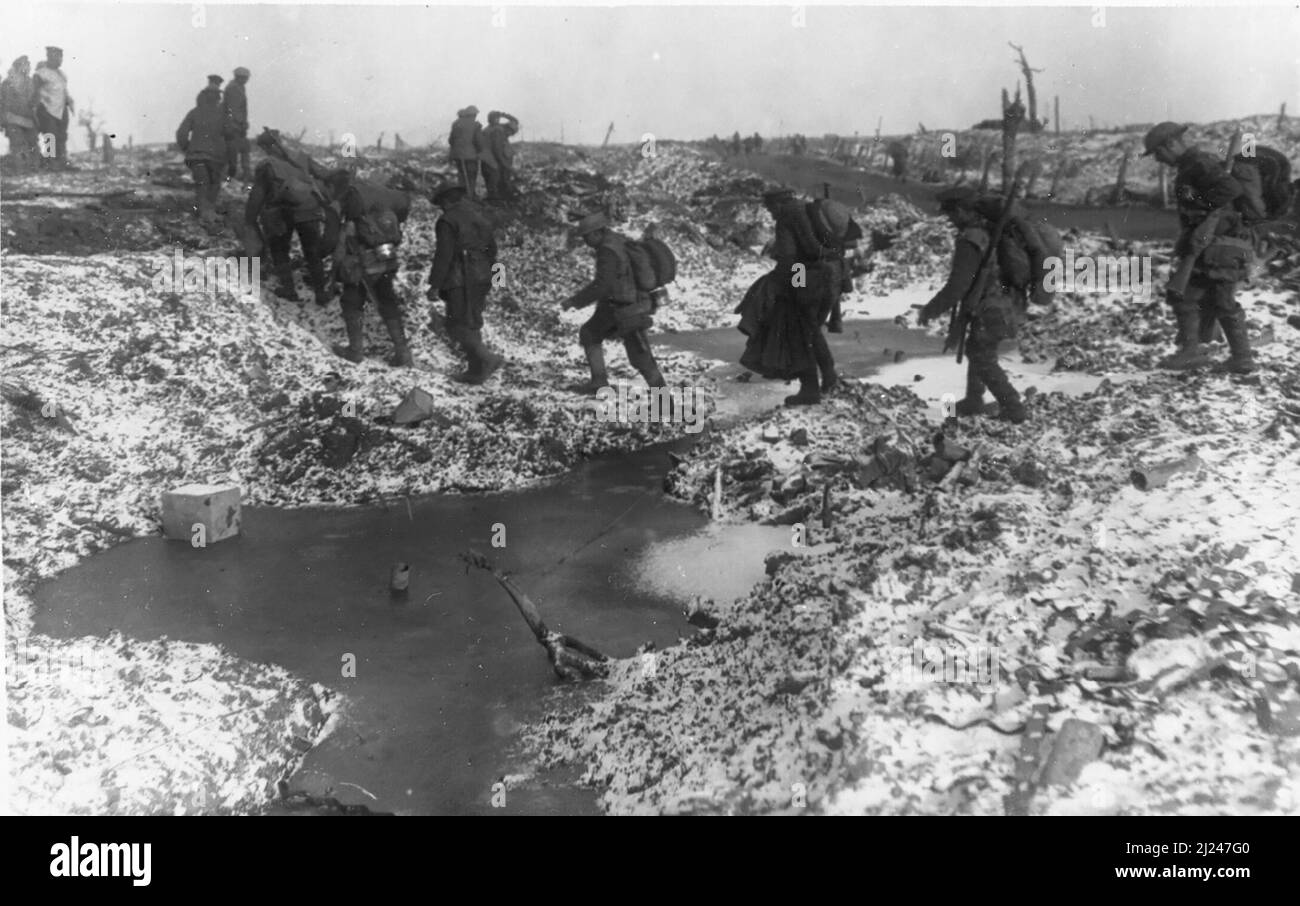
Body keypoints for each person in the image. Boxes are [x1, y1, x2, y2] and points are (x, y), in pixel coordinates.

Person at [1142, 121, 1257, 373]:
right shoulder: (1189, 167)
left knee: (1223, 301)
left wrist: (1203, 208)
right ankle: (1191, 352)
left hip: (1223, 247)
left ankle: (1242, 359)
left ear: (1171, 144)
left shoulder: (1199, 164)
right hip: (1206, 247)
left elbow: (1230, 188)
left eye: (1159, 153)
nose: (1159, 160)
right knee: (1184, 296)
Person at [917, 186, 1026, 423]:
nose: (950, 220)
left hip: (991, 307)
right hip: (1006, 303)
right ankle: (974, 399)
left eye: (951, 214)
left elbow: (957, 286)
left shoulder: (971, 239)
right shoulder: (989, 230)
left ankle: (1012, 406)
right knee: (977, 348)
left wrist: (931, 309)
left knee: (981, 355)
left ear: (960, 211)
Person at [561, 212, 667, 394]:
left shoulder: (608, 250)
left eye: (586, 237)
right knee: (590, 332)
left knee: (641, 358)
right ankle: (599, 382)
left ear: (596, 233)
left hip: (627, 307)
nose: (586, 241)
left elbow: (602, 285)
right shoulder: (617, 240)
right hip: (621, 304)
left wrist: (575, 301)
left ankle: (665, 404)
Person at [759, 187, 839, 404]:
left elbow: (789, 257)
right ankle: (830, 377)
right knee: (812, 331)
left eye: (769, 209)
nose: (770, 213)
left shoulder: (786, 216)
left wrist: (789, 288)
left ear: (777, 204)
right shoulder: (807, 209)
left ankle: (810, 389)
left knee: (798, 335)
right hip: (827, 276)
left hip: (806, 277)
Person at [328, 170, 413, 366]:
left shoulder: (352, 218)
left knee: (351, 302)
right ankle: (403, 353)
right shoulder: (384, 206)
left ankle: (355, 351)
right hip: (386, 260)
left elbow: (341, 246)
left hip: (362, 263)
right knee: (387, 302)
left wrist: (335, 267)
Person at [425, 184, 505, 383]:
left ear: (445, 201)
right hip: (482, 275)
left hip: (460, 277)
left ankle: (488, 359)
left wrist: (435, 284)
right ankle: (476, 371)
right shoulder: (478, 216)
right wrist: (494, 276)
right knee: (472, 321)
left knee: (456, 324)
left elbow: (444, 254)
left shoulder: (447, 221)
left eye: (441, 204)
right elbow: (492, 249)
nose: (441, 208)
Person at [243, 128, 332, 304]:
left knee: (279, 250)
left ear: (265, 147)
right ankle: (321, 293)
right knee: (313, 252)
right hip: (309, 210)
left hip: (281, 213)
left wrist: (249, 219)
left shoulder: (267, 165)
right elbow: (325, 174)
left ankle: (289, 290)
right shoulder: (301, 157)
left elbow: (258, 195)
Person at [175, 87, 227, 223]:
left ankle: (203, 214)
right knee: (214, 184)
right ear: (218, 98)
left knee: (202, 183)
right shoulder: (223, 113)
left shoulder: (194, 112)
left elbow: (181, 133)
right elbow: (230, 135)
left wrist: (187, 147)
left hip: (196, 156)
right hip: (216, 157)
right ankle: (209, 213)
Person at [31, 46, 72, 169]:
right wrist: (35, 108)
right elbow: (34, 92)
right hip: (46, 109)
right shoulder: (40, 74)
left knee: (62, 136)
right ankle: (50, 162)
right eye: (58, 57)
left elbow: (64, 91)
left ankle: (62, 161)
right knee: (50, 136)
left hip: (61, 109)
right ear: (50, 58)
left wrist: (69, 102)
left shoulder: (61, 74)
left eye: (61, 57)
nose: (60, 60)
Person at [1, 56, 36, 171]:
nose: (29, 67)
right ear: (19, 66)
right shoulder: (8, 83)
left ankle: (32, 168)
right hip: (13, 119)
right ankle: (21, 169)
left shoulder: (30, 82)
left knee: (32, 143)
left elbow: (34, 100)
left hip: (28, 120)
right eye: (26, 65)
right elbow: (3, 102)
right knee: (18, 145)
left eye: (29, 65)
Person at [481, 110, 520, 202]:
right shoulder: (497, 130)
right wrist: (504, 163)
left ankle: (496, 199)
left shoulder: (487, 129)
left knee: (492, 182)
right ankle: (498, 202)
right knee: (497, 182)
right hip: (494, 160)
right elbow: (497, 149)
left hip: (487, 160)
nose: (510, 134)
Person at [222, 67, 251, 182]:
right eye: (245, 78)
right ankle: (228, 179)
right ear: (239, 77)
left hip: (238, 127)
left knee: (244, 150)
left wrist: (244, 123)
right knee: (231, 157)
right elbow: (231, 110)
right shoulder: (232, 88)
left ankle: (244, 179)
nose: (247, 80)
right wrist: (236, 125)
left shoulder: (240, 87)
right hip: (232, 128)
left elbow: (242, 110)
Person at [449, 105, 482, 195]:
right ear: (474, 114)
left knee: (462, 175)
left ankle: (463, 195)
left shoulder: (455, 124)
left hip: (457, 155)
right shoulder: (475, 125)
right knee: (471, 176)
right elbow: (478, 141)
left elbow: (451, 140)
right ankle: (470, 195)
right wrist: (480, 151)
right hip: (470, 156)